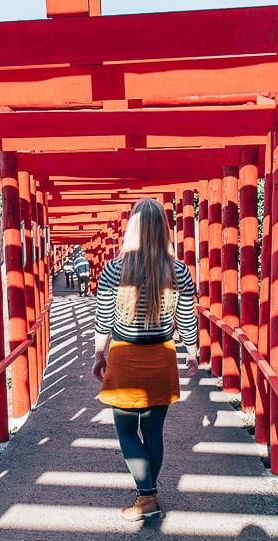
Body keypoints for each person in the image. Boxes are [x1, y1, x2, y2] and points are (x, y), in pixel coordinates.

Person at [92, 198, 199, 521]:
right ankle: (148, 492)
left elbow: (104, 319)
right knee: (153, 432)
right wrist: (193, 351)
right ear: (163, 230)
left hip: (125, 358)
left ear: (132, 230)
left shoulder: (115, 270)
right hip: (161, 357)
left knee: (126, 431)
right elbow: (187, 319)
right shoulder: (178, 270)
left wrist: (99, 353)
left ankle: (147, 496)